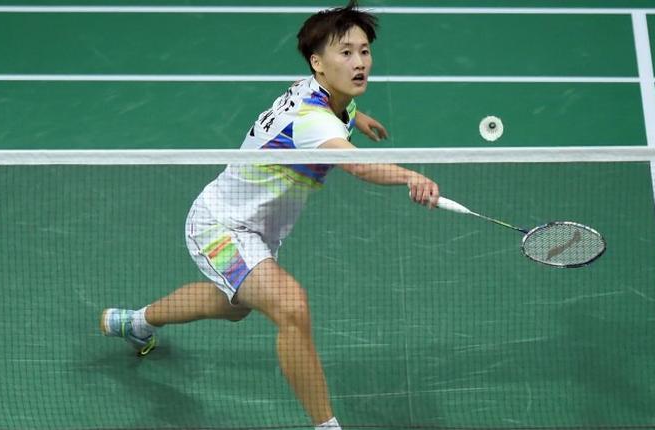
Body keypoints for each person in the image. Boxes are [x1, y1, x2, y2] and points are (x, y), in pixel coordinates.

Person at [99, 2, 440, 429]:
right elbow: (356, 165)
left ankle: (137, 322)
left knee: (235, 305)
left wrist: (359, 117)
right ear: (319, 63)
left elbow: (336, 117)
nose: (359, 63)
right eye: (346, 53)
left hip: (253, 232)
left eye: (365, 51)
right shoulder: (313, 121)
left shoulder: (320, 93)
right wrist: (409, 177)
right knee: (291, 308)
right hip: (219, 228)